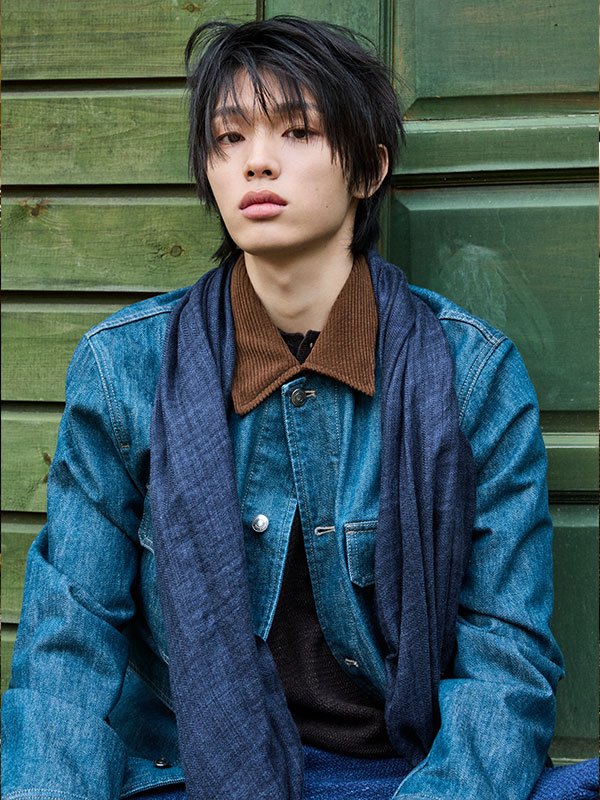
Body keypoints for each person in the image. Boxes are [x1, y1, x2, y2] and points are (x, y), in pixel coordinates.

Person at [5, 15, 596, 800]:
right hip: (190, 775)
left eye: (297, 131)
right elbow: (66, 645)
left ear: (368, 169)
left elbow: (506, 658)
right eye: (228, 138)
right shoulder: (124, 370)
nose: (256, 161)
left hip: (403, 777)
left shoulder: (473, 375)